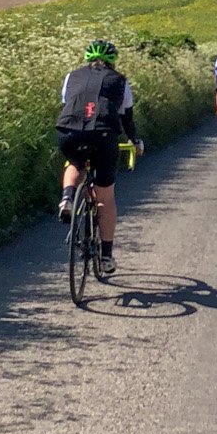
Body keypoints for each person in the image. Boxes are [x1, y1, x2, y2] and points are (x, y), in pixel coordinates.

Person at [56, 39, 142, 270]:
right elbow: (127, 118)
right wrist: (136, 141)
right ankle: (105, 257)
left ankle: (67, 197)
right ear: (113, 61)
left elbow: (67, 103)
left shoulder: (71, 76)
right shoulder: (120, 81)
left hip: (68, 131)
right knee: (105, 198)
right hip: (103, 136)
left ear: (87, 59)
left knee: (75, 163)